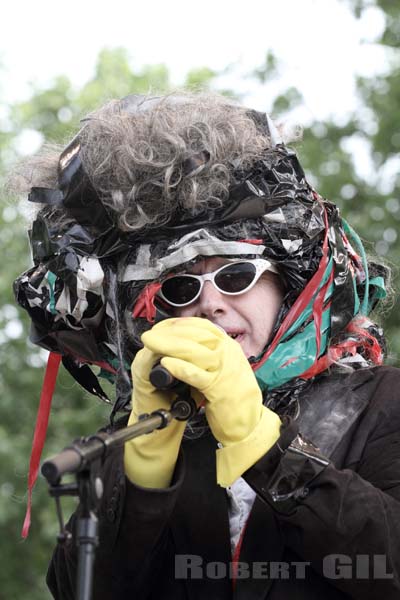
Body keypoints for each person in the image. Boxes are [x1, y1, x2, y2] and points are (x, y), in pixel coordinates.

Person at [13, 92, 400, 599]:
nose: (212, 305)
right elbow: (79, 590)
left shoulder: (384, 401)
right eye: (180, 288)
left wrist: (265, 447)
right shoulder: (141, 432)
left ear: (286, 283)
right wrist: (144, 470)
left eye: (237, 275)